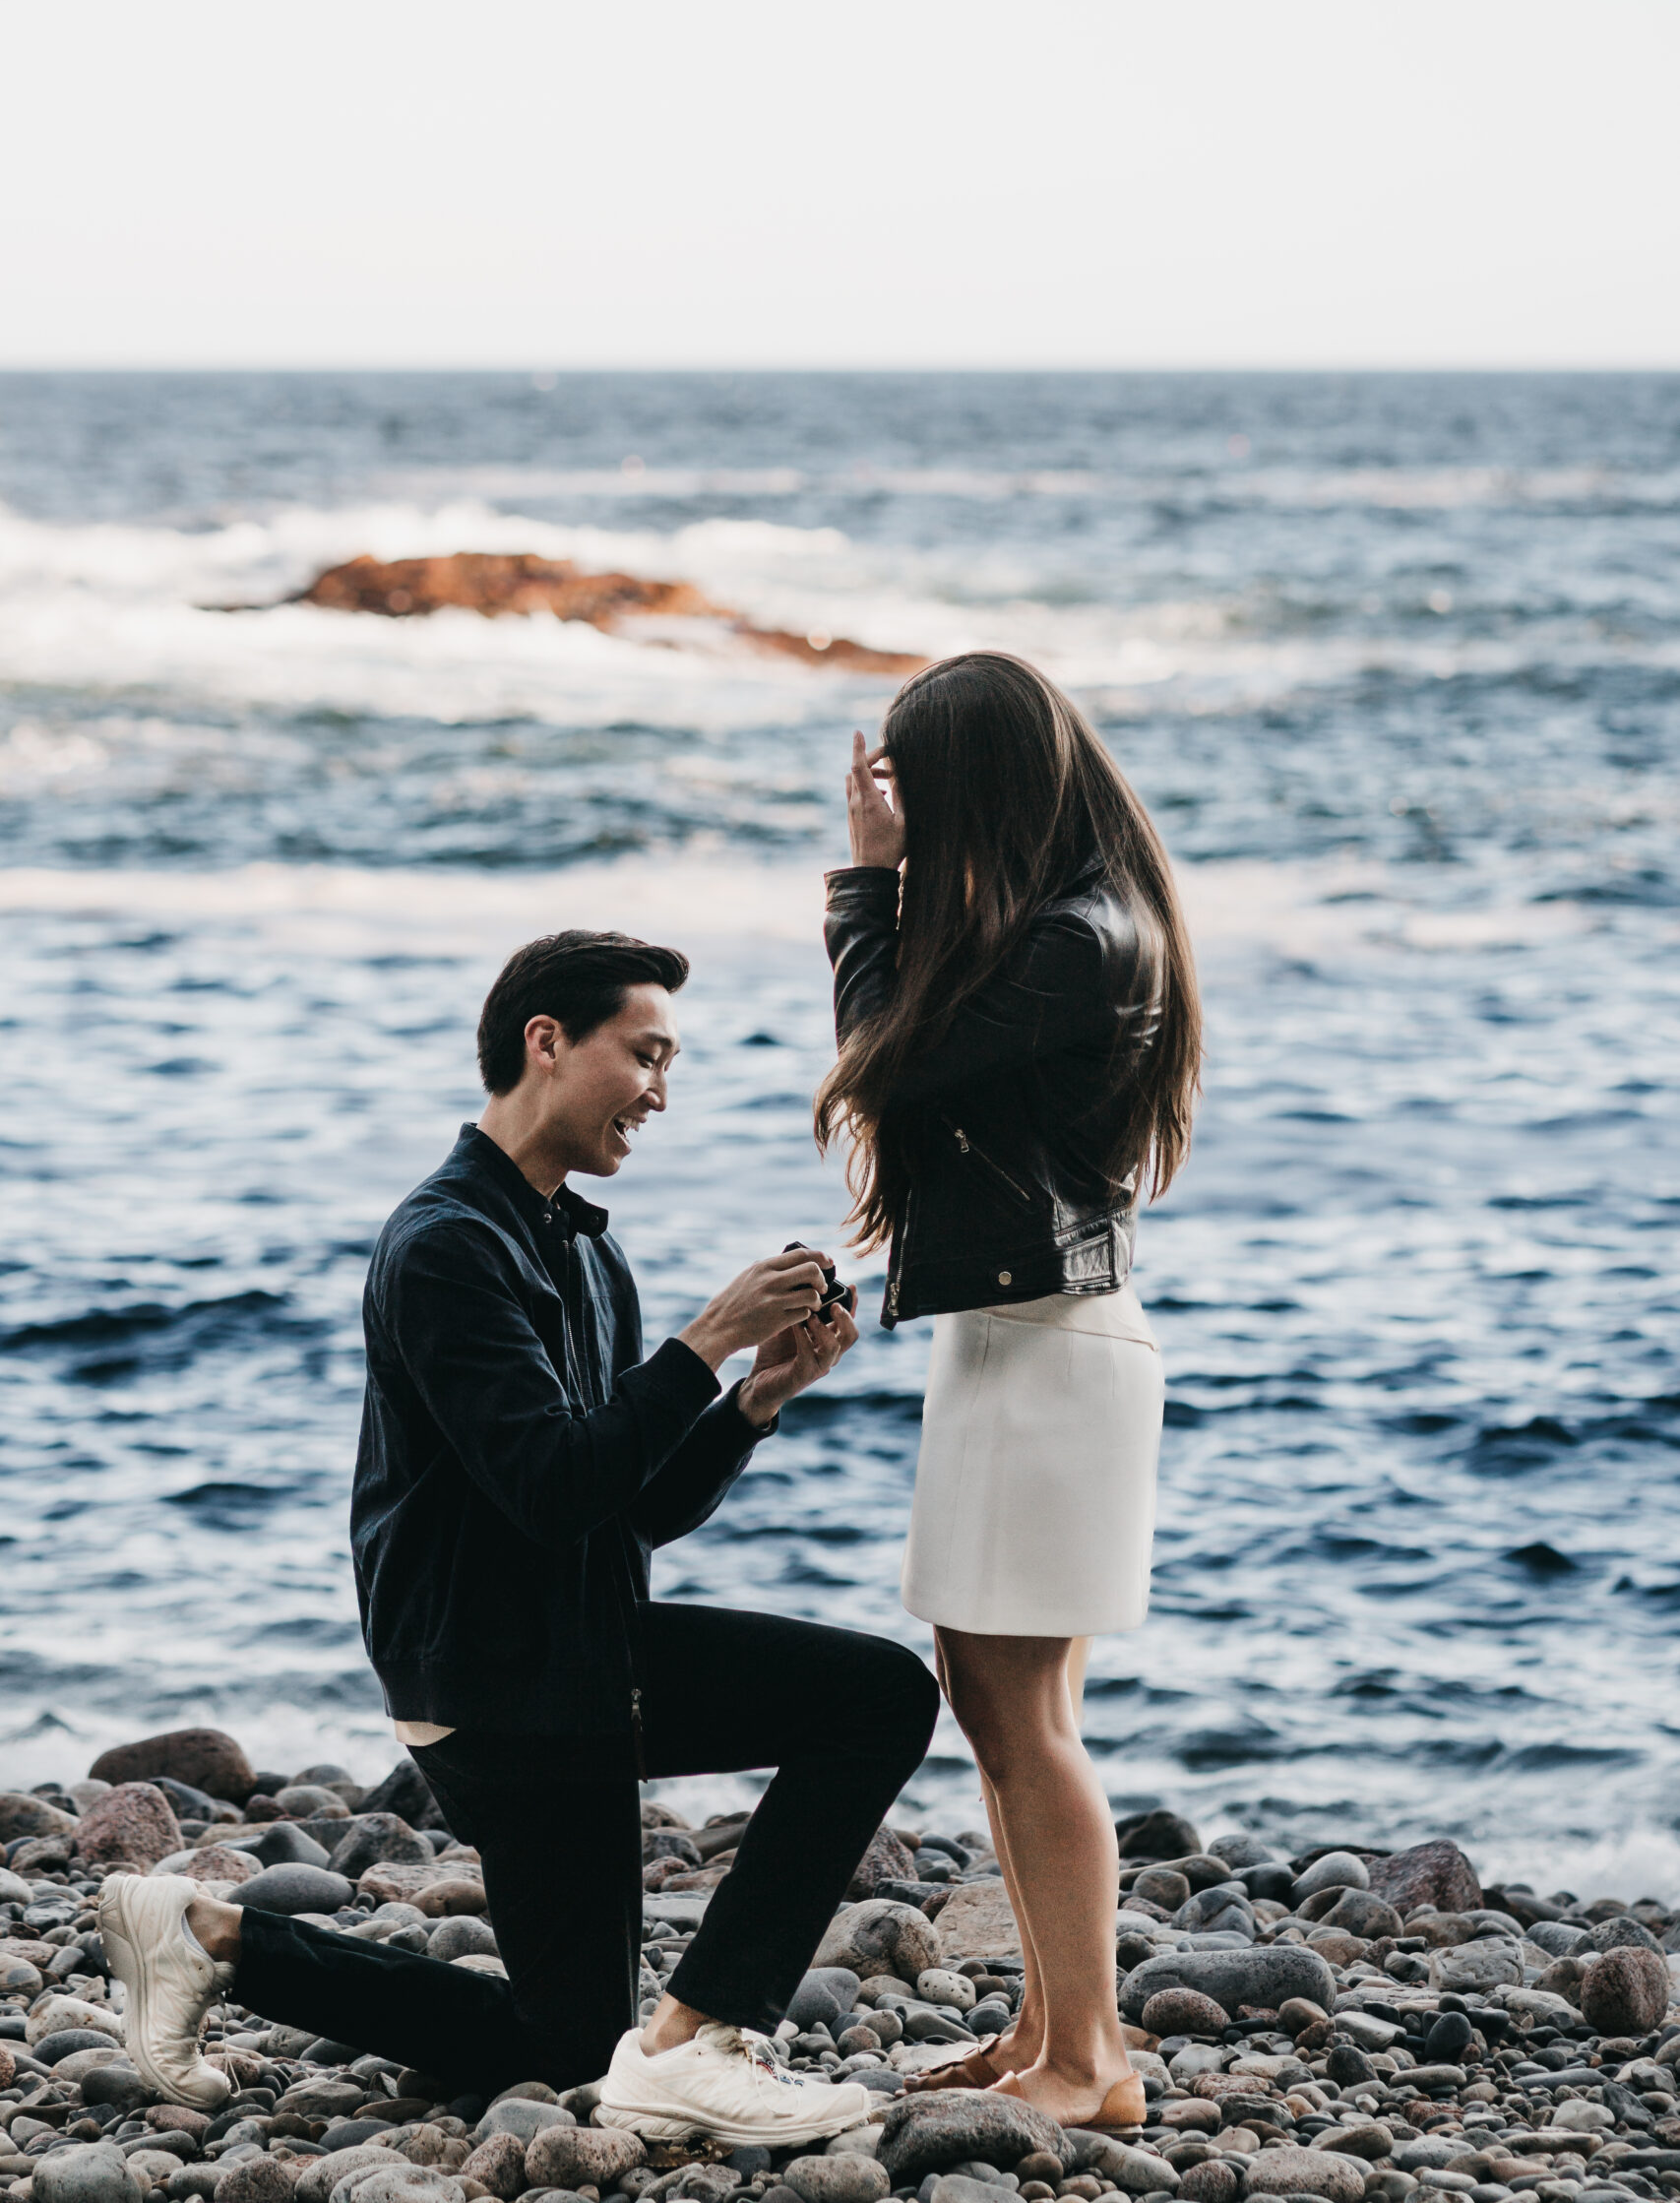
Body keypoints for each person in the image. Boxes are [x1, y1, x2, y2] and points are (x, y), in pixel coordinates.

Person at [101, 929, 939, 2145]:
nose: (662, 1090)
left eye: (672, 1061)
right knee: (877, 1696)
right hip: (500, 1675)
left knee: (563, 2046)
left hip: (578, 1659)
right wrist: (700, 1348)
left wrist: (755, 1395)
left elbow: (628, 1506)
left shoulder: (584, 1251)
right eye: (645, 1054)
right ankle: (701, 2036)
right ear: (546, 1042)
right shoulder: (445, 1242)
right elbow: (546, 1487)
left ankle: (205, 1933)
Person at [815, 654, 1202, 2131]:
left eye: (920, 784)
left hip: (1051, 1349)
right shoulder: (1065, 925)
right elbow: (910, 1064)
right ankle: (1047, 2025)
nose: (903, 813)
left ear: (973, 783)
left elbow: (880, 1066)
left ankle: (1091, 2059)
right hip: (1011, 1340)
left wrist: (864, 892)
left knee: (1018, 1710)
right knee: (996, 1704)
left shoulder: (1083, 941)